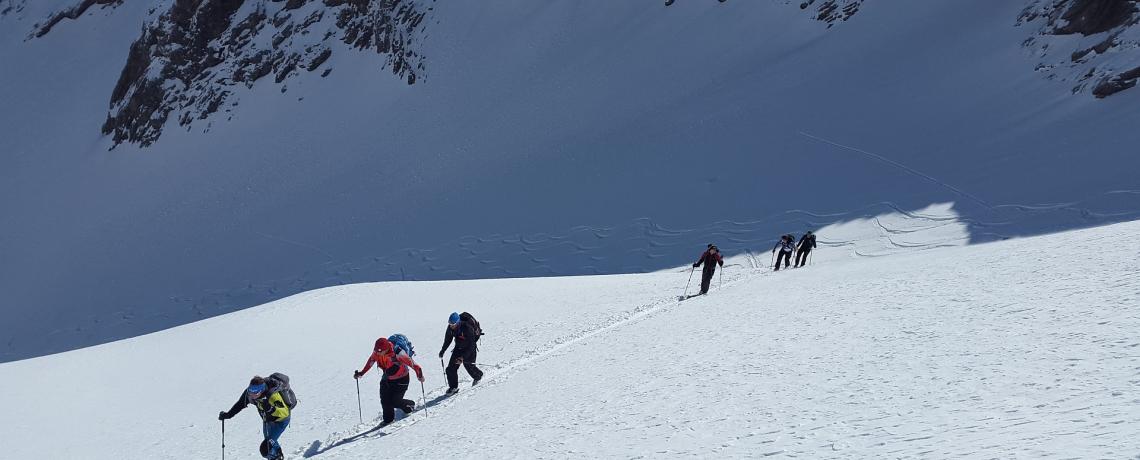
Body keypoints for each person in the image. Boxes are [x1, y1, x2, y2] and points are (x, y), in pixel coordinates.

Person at [218, 374, 296, 460]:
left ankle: (277, 458)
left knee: (265, 449)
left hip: (281, 421)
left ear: (262, 391)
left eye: (255, 394)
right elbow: (241, 404)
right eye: (250, 392)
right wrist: (228, 415)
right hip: (267, 420)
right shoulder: (250, 393)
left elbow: (285, 413)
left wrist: (271, 409)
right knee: (269, 441)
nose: (251, 396)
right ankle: (278, 454)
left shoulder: (273, 396)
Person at [354, 337, 425, 426]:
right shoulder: (377, 353)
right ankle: (388, 420)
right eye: (376, 351)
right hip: (387, 378)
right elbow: (371, 361)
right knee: (385, 400)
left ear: (386, 348)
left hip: (402, 379)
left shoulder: (398, 353)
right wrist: (361, 373)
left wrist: (419, 375)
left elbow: (413, 364)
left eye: (380, 351)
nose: (377, 353)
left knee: (395, 402)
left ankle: (409, 406)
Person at [439, 312, 483, 394]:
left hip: (469, 349)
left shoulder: (467, 328)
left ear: (458, 322)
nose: (451, 325)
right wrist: (443, 350)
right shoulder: (450, 328)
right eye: (449, 323)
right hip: (458, 347)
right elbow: (448, 339)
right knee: (450, 369)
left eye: (453, 323)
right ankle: (453, 388)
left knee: (469, 366)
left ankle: (478, 376)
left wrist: (462, 358)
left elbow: (472, 345)